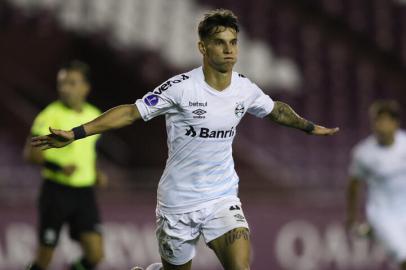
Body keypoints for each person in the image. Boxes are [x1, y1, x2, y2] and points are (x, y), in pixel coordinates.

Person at [32, 9, 338, 270]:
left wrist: (309, 127)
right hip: (177, 203)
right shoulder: (180, 88)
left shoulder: (245, 89)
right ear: (203, 48)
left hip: (222, 197)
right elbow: (130, 113)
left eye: (233, 43)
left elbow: (276, 111)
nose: (229, 50)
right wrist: (75, 134)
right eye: (219, 43)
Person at [24, 60, 106, 270]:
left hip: (84, 194)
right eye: (62, 83)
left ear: (86, 87)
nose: (65, 88)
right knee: (44, 261)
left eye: (71, 83)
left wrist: (96, 172)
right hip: (56, 193)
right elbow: (30, 154)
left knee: (95, 255)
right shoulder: (50, 115)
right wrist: (59, 168)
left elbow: (90, 150)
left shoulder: (94, 115)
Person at [347, 100, 406, 269]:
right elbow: (353, 186)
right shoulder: (363, 153)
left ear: (395, 123)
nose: (380, 126)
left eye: (385, 121)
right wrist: (352, 220)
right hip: (382, 215)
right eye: (377, 121)